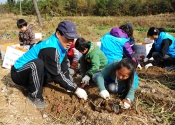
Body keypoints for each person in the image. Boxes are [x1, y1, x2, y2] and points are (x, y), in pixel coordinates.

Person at [11, 21, 88, 108]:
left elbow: (64, 68)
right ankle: (34, 96)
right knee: (37, 64)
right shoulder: (50, 49)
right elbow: (57, 74)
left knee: (52, 73)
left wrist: (70, 85)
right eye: (68, 37)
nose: (70, 41)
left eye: (72, 38)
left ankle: (32, 85)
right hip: (19, 73)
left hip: (32, 73)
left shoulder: (63, 45)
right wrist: (76, 89)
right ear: (58, 34)